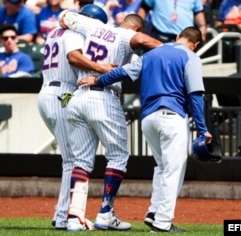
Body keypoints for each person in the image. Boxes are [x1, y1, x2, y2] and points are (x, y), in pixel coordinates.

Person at [78, 26, 213, 233]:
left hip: (148, 118)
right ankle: (162, 223)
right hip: (172, 116)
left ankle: (153, 213)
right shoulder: (191, 56)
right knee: (173, 171)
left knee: (161, 166)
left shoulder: (152, 53)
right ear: (195, 45)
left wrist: (97, 79)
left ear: (177, 37)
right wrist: (203, 130)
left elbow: (123, 72)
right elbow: (195, 95)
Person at [59, 10, 162, 231]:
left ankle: (74, 218)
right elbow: (143, 41)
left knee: (82, 162)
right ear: (136, 28)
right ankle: (105, 213)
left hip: (77, 97)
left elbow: (64, 16)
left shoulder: (95, 26)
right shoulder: (128, 35)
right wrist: (171, 49)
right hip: (103, 96)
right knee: (118, 156)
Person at [37, 5, 114, 230]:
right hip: (60, 93)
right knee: (72, 159)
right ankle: (63, 216)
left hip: (50, 91)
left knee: (70, 157)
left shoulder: (54, 32)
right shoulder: (73, 33)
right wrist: (102, 68)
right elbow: (73, 58)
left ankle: (62, 214)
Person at [137, 0, 207, 42]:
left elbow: (198, 11)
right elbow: (144, 7)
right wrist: (138, 26)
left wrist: (202, 26)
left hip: (184, 37)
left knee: (180, 65)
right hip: (159, 35)